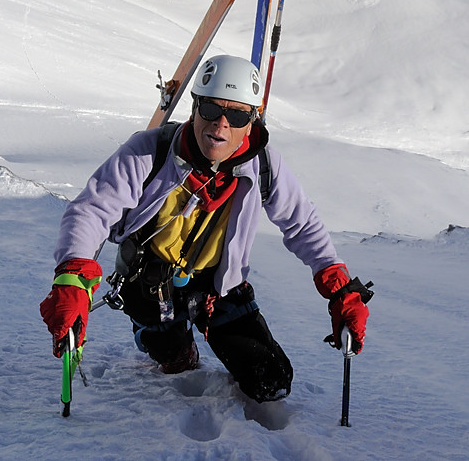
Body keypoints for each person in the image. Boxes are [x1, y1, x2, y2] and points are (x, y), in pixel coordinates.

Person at [40, 54, 370, 403]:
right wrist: (73, 275)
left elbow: (301, 223)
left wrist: (338, 286)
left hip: (218, 287)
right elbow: (91, 210)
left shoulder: (263, 165)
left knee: (271, 381)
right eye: (211, 110)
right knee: (174, 358)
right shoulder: (150, 151)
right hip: (151, 285)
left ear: (252, 121)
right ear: (194, 109)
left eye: (238, 115)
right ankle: (160, 335)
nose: (221, 125)